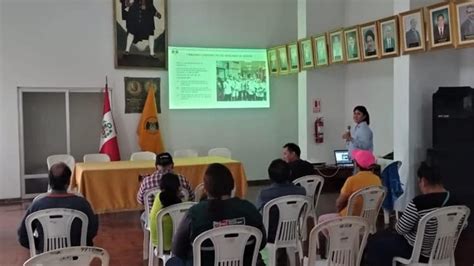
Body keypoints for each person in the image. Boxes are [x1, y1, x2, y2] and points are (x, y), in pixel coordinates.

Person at [168, 163, 267, 266]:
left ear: (205, 189)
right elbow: (262, 242)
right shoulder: (249, 208)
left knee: (172, 262)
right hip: (244, 263)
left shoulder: (195, 213)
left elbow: (177, 250)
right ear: (232, 185)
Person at [365, 161, 461, 265]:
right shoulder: (457, 203)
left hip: (417, 252)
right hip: (443, 251)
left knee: (375, 242)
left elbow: (400, 229)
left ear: (423, 181)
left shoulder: (419, 203)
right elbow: (462, 226)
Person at [17, 163, 98, 253]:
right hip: (77, 257)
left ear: (50, 182)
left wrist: (41, 245)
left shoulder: (37, 205)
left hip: (46, 258)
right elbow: (92, 231)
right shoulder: (82, 204)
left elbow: (23, 237)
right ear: (68, 182)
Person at [317, 149, 381, 224]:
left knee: (321, 220)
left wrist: (339, 213)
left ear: (356, 165)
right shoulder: (377, 180)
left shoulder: (352, 180)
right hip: (368, 219)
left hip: (350, 218)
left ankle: (339, 235)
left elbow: (339, 203)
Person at [148, 173, 182, 251]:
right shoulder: (178, 203)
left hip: (157, 242)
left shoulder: (158, 197)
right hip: (175, 246)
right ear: (178, 187)